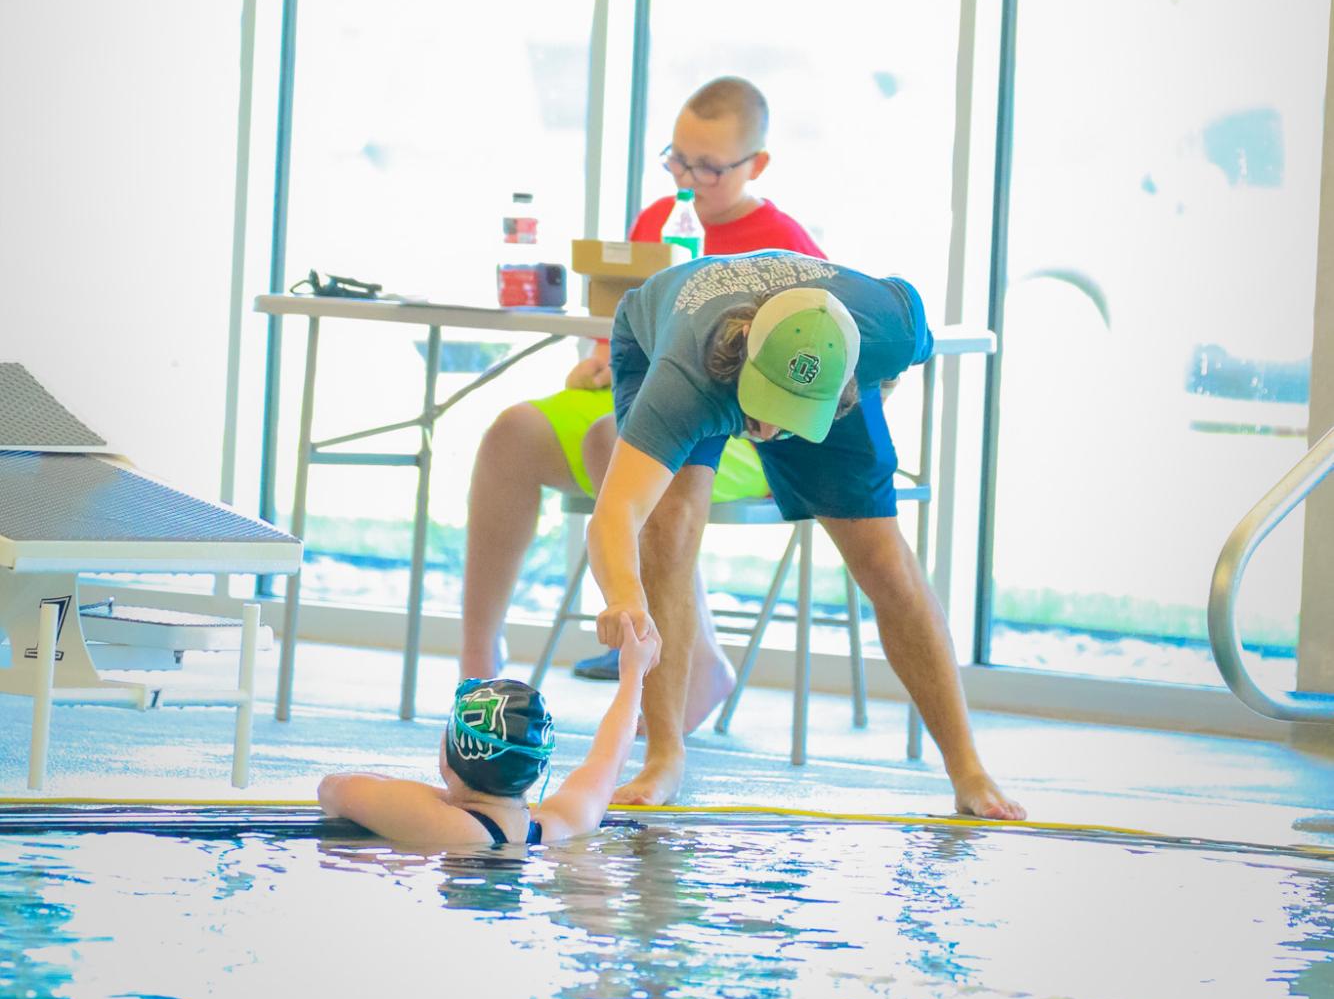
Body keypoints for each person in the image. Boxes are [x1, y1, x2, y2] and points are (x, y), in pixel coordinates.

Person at [586, 251, 1025, 823]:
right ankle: (664, 754)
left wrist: (878, 387)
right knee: (668, 526)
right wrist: (623, 594)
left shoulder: (886, 331)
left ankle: (968, 769)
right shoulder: (687, 376)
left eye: (785, 418)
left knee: (884, 563)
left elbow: (907, 328)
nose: (766, 432)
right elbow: (615, 514)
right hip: (668, 339)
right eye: (764, 409)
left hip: (822, 370)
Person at [460, 76, 822, 727]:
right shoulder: (659, 221)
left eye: (709, 166)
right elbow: (622, 322)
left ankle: (698, 652)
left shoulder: (786, 244)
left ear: (756, 164)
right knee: (511, 432)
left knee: (617, 438)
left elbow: (817, 365)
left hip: (740, 433)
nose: (689, 178)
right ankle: (478, 659)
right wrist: (600, 358)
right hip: (639, 401)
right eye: (677, 159)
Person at [317, 614, 658, 851]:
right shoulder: (561, 824)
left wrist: (448, 795)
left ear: (451, 756)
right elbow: (607, 757)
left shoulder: (446, 825)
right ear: (537, 766)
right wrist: (633, 674)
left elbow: (333, 788)